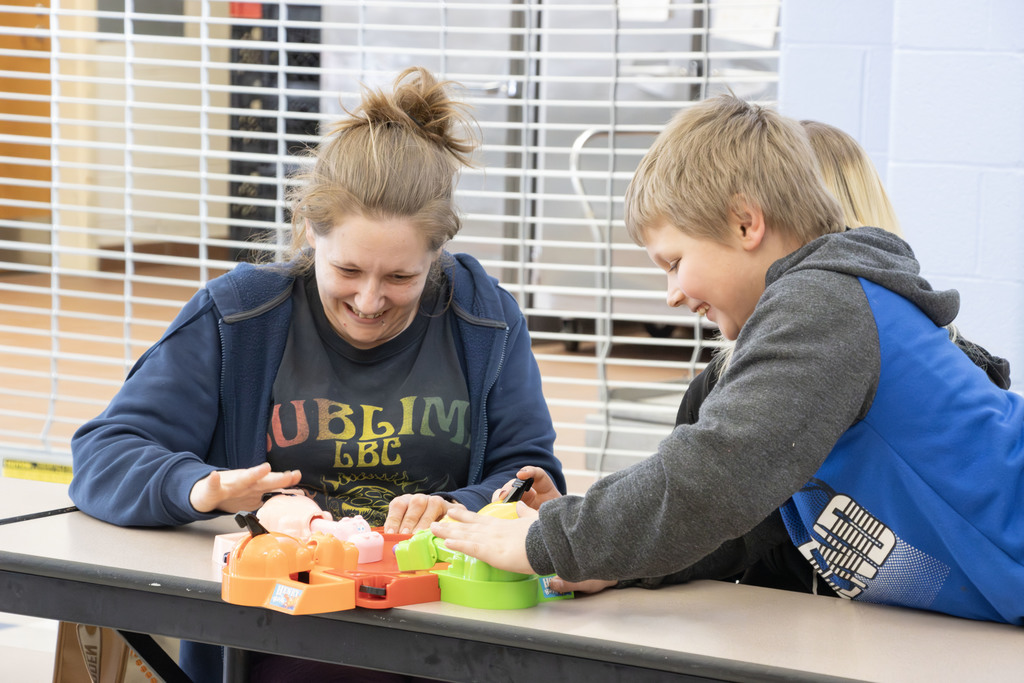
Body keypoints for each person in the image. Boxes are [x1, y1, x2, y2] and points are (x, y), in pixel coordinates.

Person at [433, 94, 1024, 627]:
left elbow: (713, 475)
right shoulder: (820, 316)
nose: (671, 295)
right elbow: (743, 520)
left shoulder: (823, 302)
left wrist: (550, 541)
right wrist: (615, 562)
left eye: (673, 262)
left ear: (746, 222)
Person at [69, 66, 566, 681]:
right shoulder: (239, 318)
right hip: (282, 633)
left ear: (438, 253)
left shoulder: (483, 319)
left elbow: (528, 475)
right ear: (309, 232)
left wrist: (452, 509)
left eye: (402, 278)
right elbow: (103, 455)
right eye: (348, 270)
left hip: (450, 630)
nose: (369, 301)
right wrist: (205, 491)